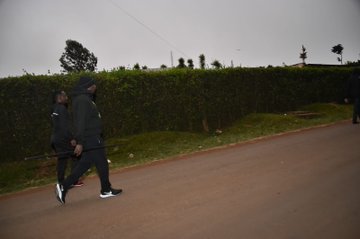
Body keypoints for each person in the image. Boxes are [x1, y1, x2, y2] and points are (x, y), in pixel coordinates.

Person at [55, 77, 122, 204]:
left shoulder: (85, 99)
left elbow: (80, 122)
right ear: (88, 86)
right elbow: (80, 122)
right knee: (102, 163)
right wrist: (79, 141)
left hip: (91, 137)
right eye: (93, 84)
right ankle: (106, 190)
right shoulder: (82, 100)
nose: (95, 86)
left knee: (84, 165)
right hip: (91, 137)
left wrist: (78, 138)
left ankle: (63, 186)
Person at [51, 90, 84, 186]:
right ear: (60, 97)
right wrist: (72, 138)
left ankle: (61, 182)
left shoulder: (54, 108)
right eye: (65, 96)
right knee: (76, 155)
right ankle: (74, 180)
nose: (67, 97)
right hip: (63, 138)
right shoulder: (62, 108)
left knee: (62, 159)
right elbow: (65, 126)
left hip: (55, 138)